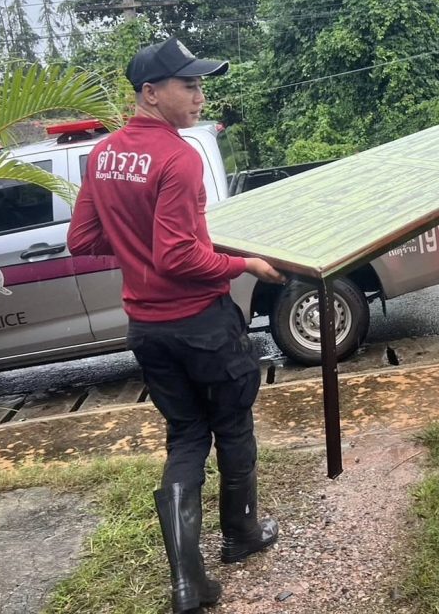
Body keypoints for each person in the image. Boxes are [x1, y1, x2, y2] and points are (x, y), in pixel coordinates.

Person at [68, 37, 286, 613]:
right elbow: (179, 256)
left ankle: (188, 584)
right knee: (232, 426)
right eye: (188, 86)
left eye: (199, 85)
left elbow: (83, 239)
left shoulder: (103, 156)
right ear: (150, 93)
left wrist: (135, 247)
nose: (199, 96)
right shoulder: (178, 156)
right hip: (201, 324)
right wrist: (245, 264)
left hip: (147, 329)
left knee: (187, 435)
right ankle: (242, 535)